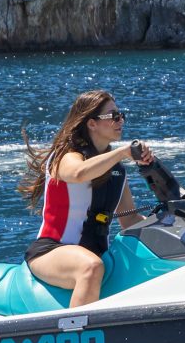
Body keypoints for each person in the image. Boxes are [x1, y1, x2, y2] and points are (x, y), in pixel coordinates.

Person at [19, 89, 152, 306]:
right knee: (90, 267)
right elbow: (79, 173)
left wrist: (172, 227)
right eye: (113, 116)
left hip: (97, 254)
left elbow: (129, 220)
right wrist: (122, 152)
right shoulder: (65, 157)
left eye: (121, 115)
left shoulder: (117, 171)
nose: (121, 121)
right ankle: (75, 335)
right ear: (92, 123)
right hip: (51, 251)